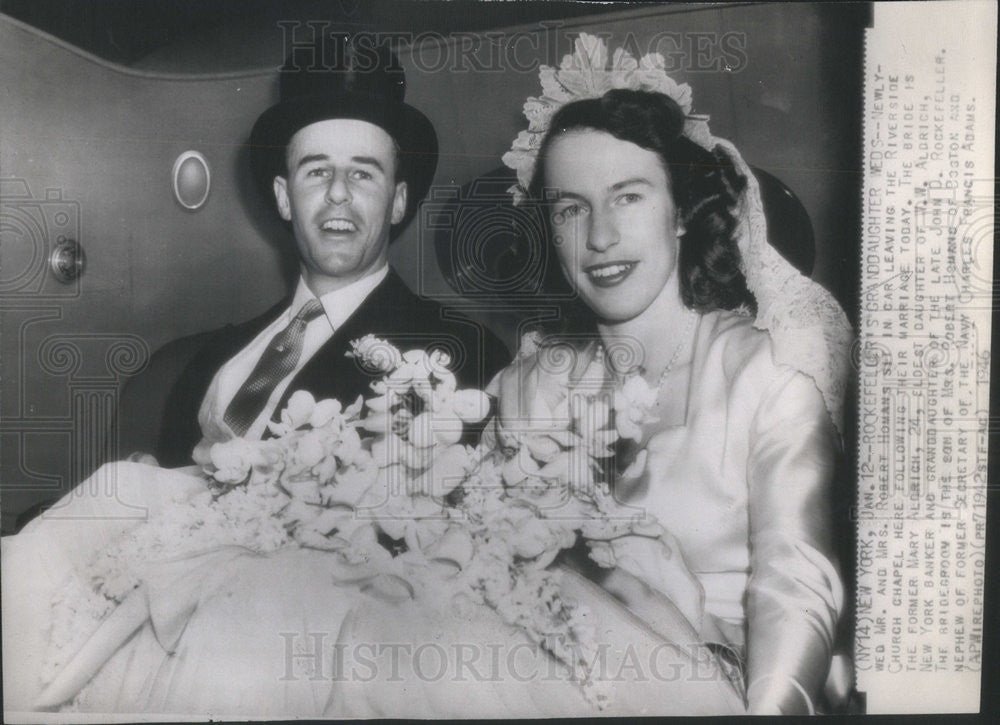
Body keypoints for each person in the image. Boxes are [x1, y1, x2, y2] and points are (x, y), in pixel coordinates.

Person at [493, 37, 854, 714]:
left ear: (682, 211)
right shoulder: (532, 386)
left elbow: (795, 590)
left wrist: (698, 624)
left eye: (626, 197)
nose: (598, 237)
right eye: (570, 208)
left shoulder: (768, 373)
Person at [155, 33, 508, 468]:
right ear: (284, 197)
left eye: (363, 173)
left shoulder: (466, 355)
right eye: (317, 170)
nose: (337, 193)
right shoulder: (212, 358)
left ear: (398, 200)